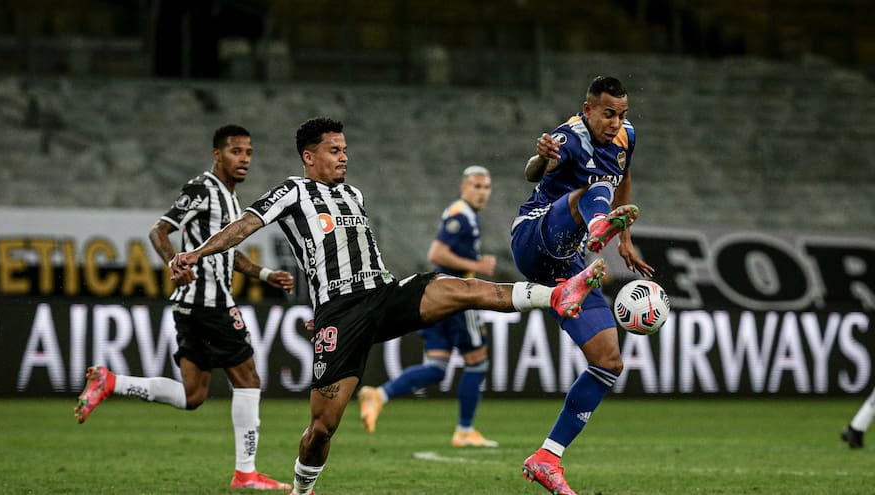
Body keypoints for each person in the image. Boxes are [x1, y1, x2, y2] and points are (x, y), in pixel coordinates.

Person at [169, 117, 606, 495]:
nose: (343, 157)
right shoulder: (292, 192)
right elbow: (245, 225)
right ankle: (303, 488)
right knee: (323, 428)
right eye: (333, 150)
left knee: (459, 289)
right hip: (340, 313)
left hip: (384, 293)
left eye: (345, 149)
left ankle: (557, 294)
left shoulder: (354, 195)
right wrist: (195, 253)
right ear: (308, 156)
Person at [74, 124, 295, 491]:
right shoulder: (202, 189)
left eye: (249, 152)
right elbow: (159, 231)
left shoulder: (229, 198)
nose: (244, 159)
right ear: (217, 155)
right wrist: (174, 262)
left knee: (192, 396)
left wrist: (265, 273)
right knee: (248, 379)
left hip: (189, 308)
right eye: (236, 151)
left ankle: (111, 381)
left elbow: (227, 251)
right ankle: (246, 473)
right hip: (209, 303)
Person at [510, 76, 655, 495]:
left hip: (569, 263)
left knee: (609, 361)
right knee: (587, 191)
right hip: (534, 237)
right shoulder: (569, 135)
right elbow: (533, 171)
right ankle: (597, 228)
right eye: (607, 113)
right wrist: (541, 158)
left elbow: (621, 180)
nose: (615, 122)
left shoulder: (626, 137)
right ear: (588, 109)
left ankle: (547, 458)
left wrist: (625, 241)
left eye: (622, 114)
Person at [357, 165, 500, 448]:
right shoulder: (461, 216)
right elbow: (436, 253)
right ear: (464, 188)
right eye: (476, 186)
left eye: (486, 187)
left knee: (436, 366)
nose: (482, 192)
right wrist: (477, 265)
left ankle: (379, 395)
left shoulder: (463, 213)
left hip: (439, 295)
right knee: (477, 361)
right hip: (459, 295)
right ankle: (464, 430)